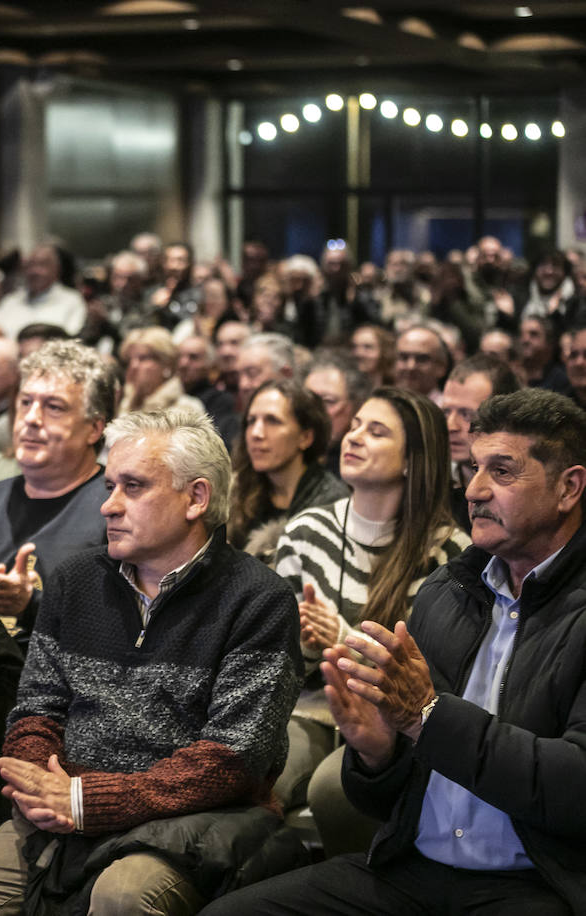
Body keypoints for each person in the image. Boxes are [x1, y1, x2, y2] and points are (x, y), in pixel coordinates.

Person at [207, 388, 586, 914]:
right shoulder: (448, 591)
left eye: (502, 472)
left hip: (536, 880)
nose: (475, 490)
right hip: (413, 867)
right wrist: (377, 753)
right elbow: (388, 801)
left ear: (569, 488)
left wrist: (428, 718)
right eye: (473, 469)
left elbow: (575, 790)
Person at [0, 407, 302, 916]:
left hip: (190, 823)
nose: (108, 506)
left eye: (133, 487)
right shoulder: (76, 580)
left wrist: (87, 801)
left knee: (122, 896)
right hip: (63, 806)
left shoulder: (258, 599)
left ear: (196, 498)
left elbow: (231, 761)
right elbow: (35, 709)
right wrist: (36, 782)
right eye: (109, 486)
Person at [271, 389, 470, 853]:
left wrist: (339, 636)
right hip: (311, 707)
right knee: (261, 769)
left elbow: (429, 674)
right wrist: (300, 637)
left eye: (376, 432)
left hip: (395, 728)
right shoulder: (307, 532)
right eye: (355, 424)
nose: (354, 437)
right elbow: (275, 662)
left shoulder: (449, 552)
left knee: (331, 789)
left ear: (411, 461)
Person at [0, 339, 117, 635]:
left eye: (54, 407)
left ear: (94, 429)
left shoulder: (116, 508)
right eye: (26, 402)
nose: (31, 419)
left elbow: (124, 623)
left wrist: (30, 604)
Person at [228, 379, 347, 564]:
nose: (256, 433)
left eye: (272, 421)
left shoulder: (332, 504)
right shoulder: (237, 492)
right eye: (251, 421)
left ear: (306, 437)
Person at [442, 355, 520, 531]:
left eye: (467, 415)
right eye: (446, 412)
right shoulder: (434, 483)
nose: (451, 426)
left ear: (503, 415)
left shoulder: (519, 491)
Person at [0, 244, 87, 339]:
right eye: (30, 265)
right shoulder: (10, 301)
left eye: (42, 265)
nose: (35, 271)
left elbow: (70, 337)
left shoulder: (72, 300)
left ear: (57, 269)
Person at [303, 354, 371, 475]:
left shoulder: (364, 463)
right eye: (307, 400)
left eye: (328, 401)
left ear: (356, 405)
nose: (314, 410)